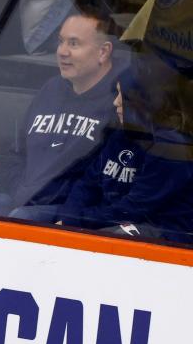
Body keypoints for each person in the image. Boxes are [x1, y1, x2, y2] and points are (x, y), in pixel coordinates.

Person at [8, 8, 123, 222]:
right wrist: (20, 192)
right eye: (60, 42)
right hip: (21, 202)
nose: (62, 51)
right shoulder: (50, 90)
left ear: (103, 52)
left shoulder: (119, 101)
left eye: (74, 43)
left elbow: (101, 178)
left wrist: (65, 212)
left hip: (70, 213)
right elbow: (17, 152)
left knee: (21, 217)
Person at [56, 70, 193, 244]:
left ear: (143, 102)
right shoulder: (121, 135)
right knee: (25, 216)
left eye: (123, 96)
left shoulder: (170, 147)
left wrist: (77, 221)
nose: (116, 102)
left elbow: (134, 208)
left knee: (104, 241)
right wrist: (68, 217)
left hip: (163, 232)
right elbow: (87, 183)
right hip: (108, 216)